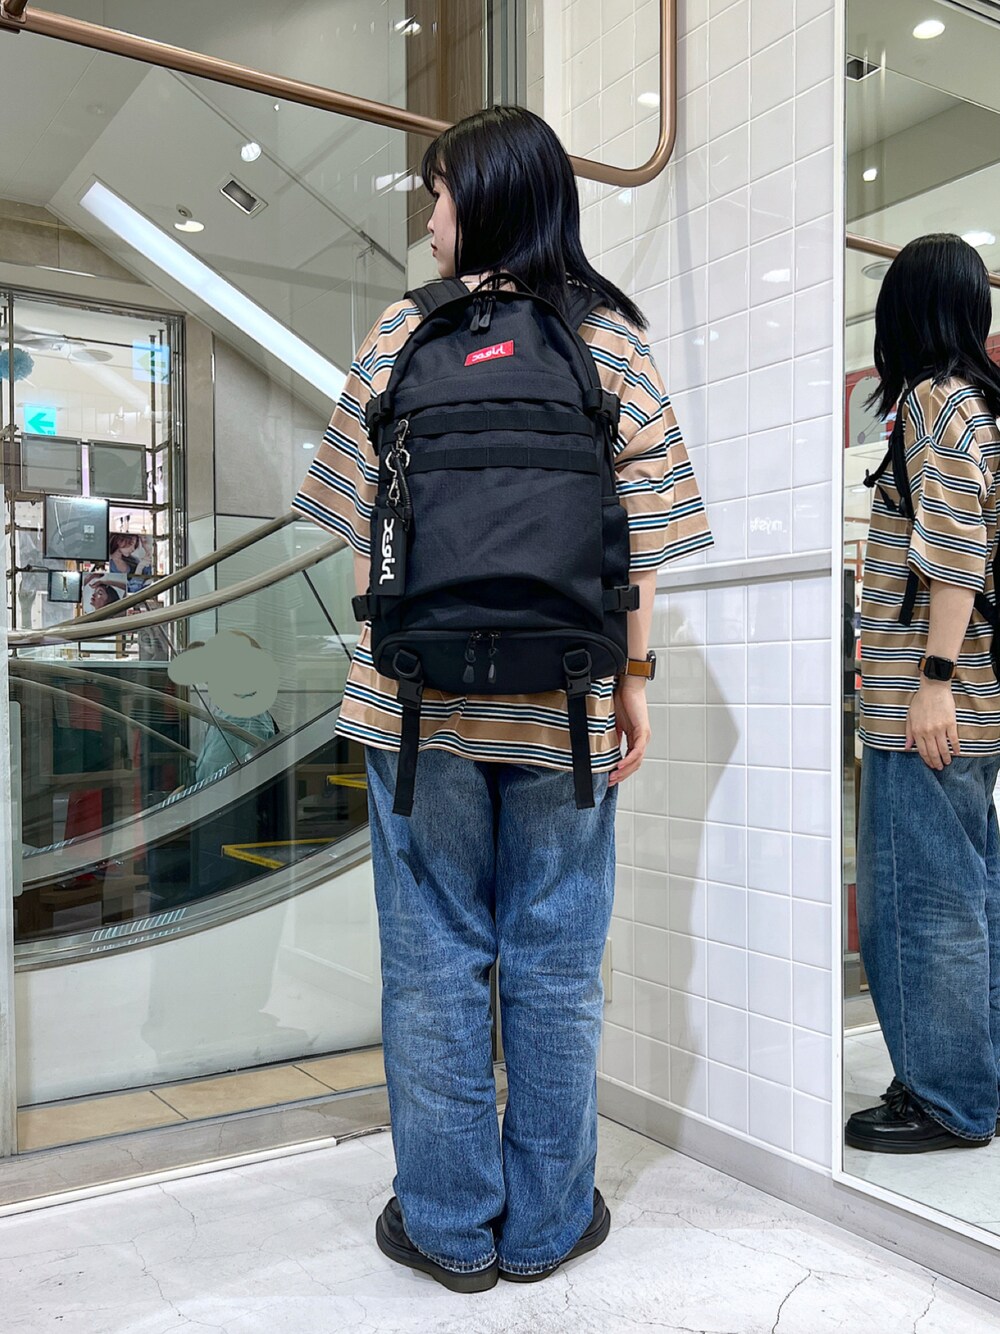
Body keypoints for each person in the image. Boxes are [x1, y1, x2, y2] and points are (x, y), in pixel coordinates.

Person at [294, 105, 711, 1290]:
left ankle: (446, 1222)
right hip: (564, 706)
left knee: (431, 959)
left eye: (437, 193)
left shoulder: (402, 333)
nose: (428, 217)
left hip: (412, 703)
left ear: (481, 197)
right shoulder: (609, 341)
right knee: (555, 958)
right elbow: (642, 548)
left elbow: (350, 521)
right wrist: (632, 683)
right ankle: (545, 1223)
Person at [848, 234, 1000, 1153]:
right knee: (970, 897)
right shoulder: (979, 404)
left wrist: (932, 682)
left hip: (932, 709)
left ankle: (945, 1100)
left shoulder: (937, 403)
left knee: (920, 905)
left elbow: (955, 551)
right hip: (970, 702)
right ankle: (976, 1082)